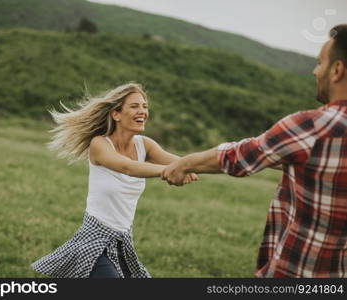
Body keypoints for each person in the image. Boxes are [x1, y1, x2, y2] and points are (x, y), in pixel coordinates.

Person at [162, 24, 347, 278]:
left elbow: (241, 156)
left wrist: (184, 163)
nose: (315, 71)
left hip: (300, 272)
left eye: (320, 63)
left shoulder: (313, 126)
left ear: (337, 70)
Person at [31, 83, 197, 278]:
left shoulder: (145, 145)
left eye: (144, 106)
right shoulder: (100, 144)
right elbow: (128, 167)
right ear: (116, 114)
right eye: (135, 106)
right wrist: (169, 172)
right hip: (94, 240)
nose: (142, 111)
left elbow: (185, 163)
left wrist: (226, 162)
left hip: (122, 242)